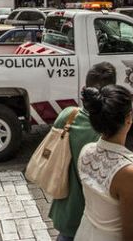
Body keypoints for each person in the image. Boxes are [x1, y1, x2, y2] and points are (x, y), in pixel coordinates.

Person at [48, 63, 117, 241]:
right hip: (97, 220)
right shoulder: (112, 131)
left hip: (67, 214)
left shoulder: (68, 116)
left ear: (84, 90)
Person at [75, 84, 133, 241]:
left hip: (85, 232)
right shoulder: (128, 172)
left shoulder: (86, 151)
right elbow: (132, 235)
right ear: (128, 119)